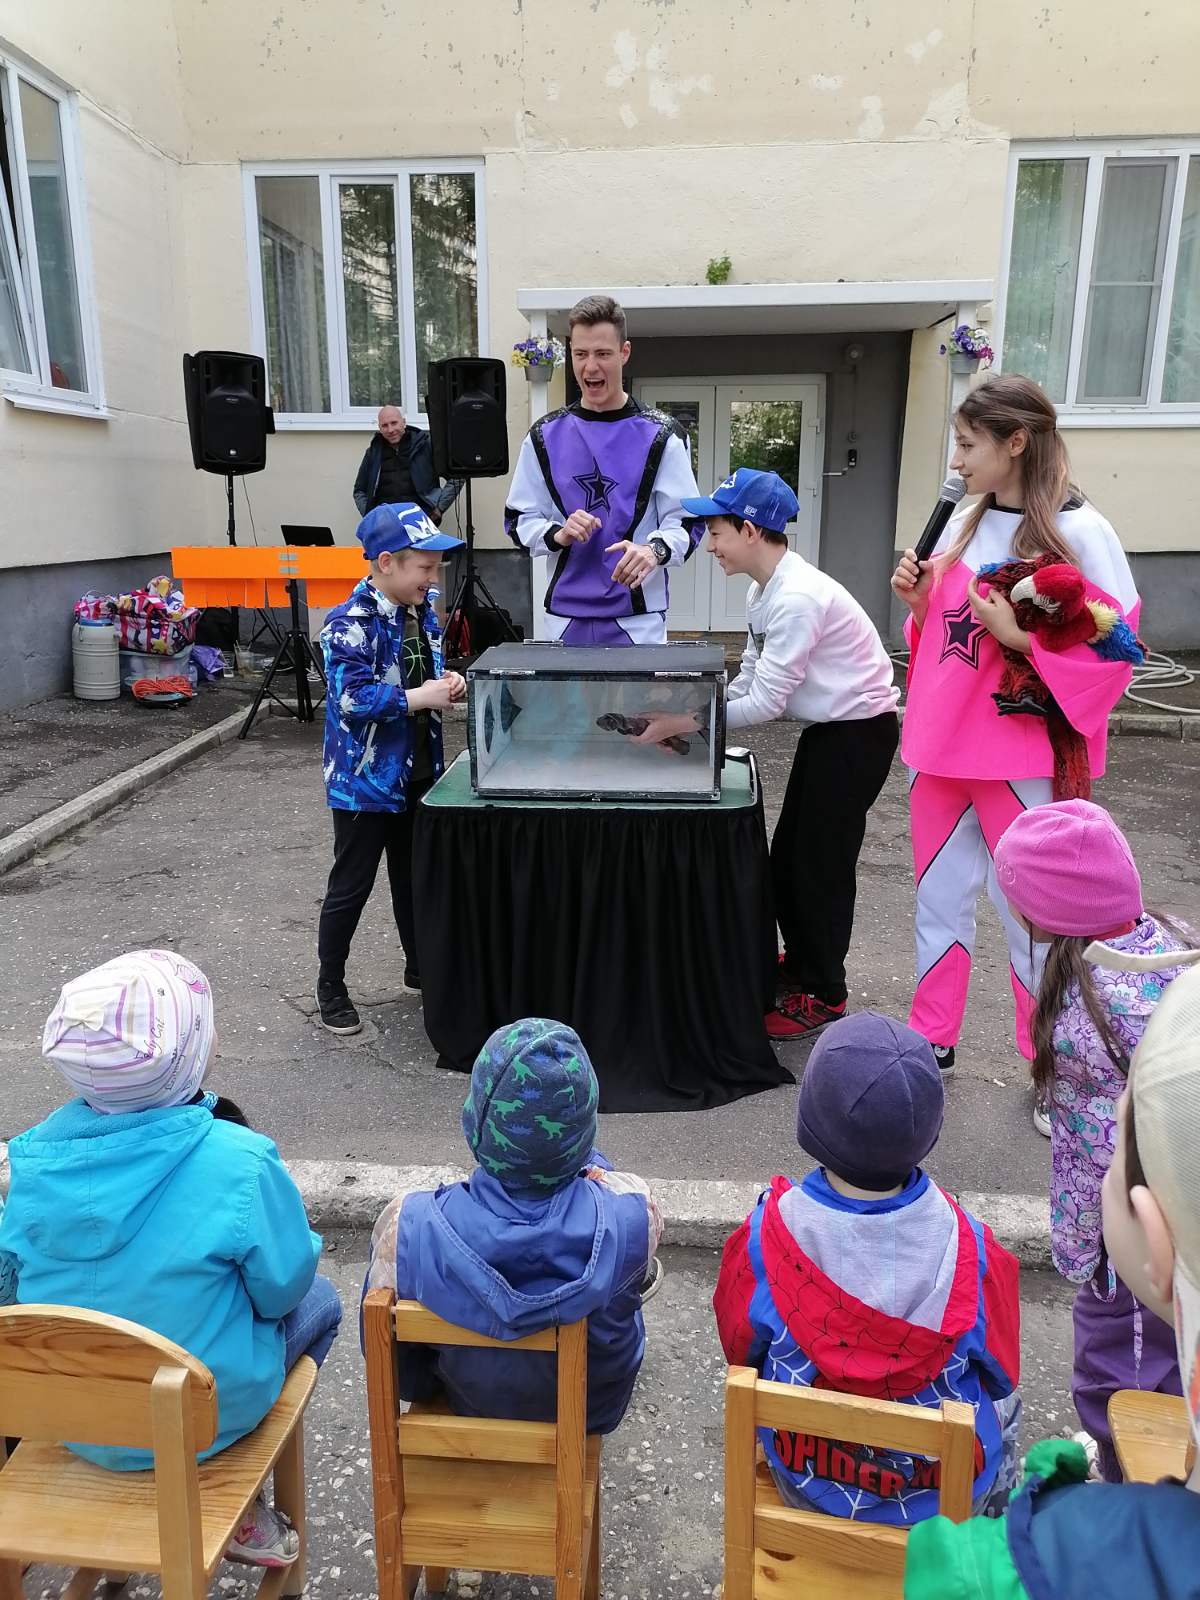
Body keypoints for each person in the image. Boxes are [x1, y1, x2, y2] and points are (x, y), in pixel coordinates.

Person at [0, 950, 340, 1569]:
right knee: (324, 1300)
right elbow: (283, 1290)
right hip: (199, 1417)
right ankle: (237, 1503)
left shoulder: (32, 1163)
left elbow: (12, 1290)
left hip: (77, 1416)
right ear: (188, 1057)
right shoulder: (240, 1160)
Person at [904, 961, 1200, 1598]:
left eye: (1116, 1146)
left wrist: (1050, 1494)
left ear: (1157, 1240)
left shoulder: (1011, 1564)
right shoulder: (969, 1244)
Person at [891, 374, 1139, 1086]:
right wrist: (920, 605)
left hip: (1021, 758)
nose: (957, 460)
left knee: (1032, 917)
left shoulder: (1082, 532)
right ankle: (931, 1038)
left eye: (969, 445)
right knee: (937, 900)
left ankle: (1048, 1064)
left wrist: (1021, 640)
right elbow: (945, 645)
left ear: (1017, 442)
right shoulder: (962, 524)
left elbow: (1119, 652)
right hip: (939, 751)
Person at [713, 1012, 1021, 1524]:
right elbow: (1004, 1373)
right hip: (942, 1507)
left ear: (811, 1121)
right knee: (1007, 1413)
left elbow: (738, 1348)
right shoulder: (973, 1250)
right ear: (929, 1129)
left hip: (810, 1486)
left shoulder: (767, 1236)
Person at [638, 467, 900, 1038]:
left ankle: (825, 992)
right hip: (830, 732)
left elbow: (767, 704)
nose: (709, 545)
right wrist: (696, 713)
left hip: (858, 735)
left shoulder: (797, 597)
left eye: (716, 532)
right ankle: (803, 963)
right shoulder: (766, 589)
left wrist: (689, 722)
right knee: (791, 860)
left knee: (821, 868)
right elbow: (749, 681)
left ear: (751, 530)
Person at [992, 799, 1200, 1477]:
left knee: (1119, 1374)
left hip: (1130, 1241)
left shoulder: (1086, 1020)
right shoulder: (1168, 945)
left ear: (1046, 912)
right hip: (1181, 1213)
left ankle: (1126, 1474)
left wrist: (1085, 1246)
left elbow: (1089, 1157)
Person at [363, 1017, 662, 1434]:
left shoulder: (407, 1226)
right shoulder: (634, 1216)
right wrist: (592, 1166)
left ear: (476, 1124)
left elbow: (389, 1358)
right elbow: (617, 1187)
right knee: (628, 1277)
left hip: (467, 1403)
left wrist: (427, 1387)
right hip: (589, 1414)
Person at [316, 501, 467, 1034]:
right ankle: (331, 985)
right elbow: (351, 700)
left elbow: (424, 674)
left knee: (414, 879)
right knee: (351, 886)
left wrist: (448, 682)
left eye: (435, 568)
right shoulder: (348, 624)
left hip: (418, 775)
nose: (433, 578)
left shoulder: (421, 612)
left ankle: (419, 967)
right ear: (386, 563)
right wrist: (418, 697)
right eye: (424, 567)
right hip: (364, 785)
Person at [504, 294, 701, 645]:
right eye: (581, 354)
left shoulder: (663, 435)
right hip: (564, 616)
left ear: (624, 353)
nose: (590, 367)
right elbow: (519, 519)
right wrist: (558, 534)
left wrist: (653, 551)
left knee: (640, 689)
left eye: (603, 354)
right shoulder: (543, 436)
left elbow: (687, 521)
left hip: (638, 618)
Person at [353, 405, 461, 523]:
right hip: (386, 525)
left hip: (421, 521)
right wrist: (371, 517)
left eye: (394, 423)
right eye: (385, 425)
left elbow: (458, 476)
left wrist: (439, 508)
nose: (390, 430)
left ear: (404, 423)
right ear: (380, 428)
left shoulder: (425, 445)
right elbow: (359, 491)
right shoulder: (373, 453)